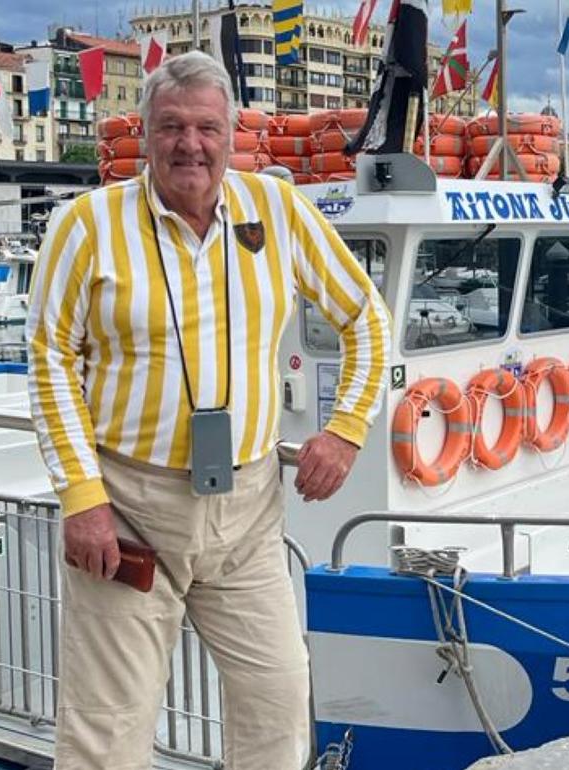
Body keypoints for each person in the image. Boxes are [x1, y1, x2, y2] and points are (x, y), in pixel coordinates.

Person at [26, 51, 391, 770]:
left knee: (279, 702)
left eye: (206, 128)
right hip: (128, 507)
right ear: (147, 134)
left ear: (230, 134)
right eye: (171, 127)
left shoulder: (278, 210)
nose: (189, 144)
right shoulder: (85, 226)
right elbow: (49, 363)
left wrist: (346, 429)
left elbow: (367, 320)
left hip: (247, 510)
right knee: (109, 723)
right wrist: (81, 496)